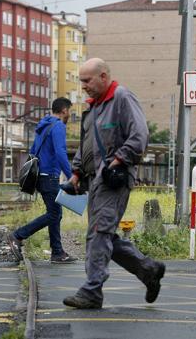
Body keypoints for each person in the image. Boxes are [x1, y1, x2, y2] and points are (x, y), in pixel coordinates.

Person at [63, 58, 165, 309]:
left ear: (104, 76)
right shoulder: (93, 108)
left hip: (114, 180)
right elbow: (87, 145)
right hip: (95, 180)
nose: (83, 86)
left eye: (87, 81)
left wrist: (119, 159)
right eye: (81, 81)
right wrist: (76, 172)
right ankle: (148, 270)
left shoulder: (121, 98)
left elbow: (139, 135)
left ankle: (92, 291)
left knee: (98, 234)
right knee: (104, 235)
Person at [7, 97, 77, 264]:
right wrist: (72, 175)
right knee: (54, 213)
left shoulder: (43, 125)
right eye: (70, 112)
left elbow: (33, 151)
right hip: (49, 176)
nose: (70, 116)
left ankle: (57, 252)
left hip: (40, 176)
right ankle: (17, 235)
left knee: (55, 213)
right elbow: (60, 152)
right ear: (64, 111)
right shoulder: (58, 126)